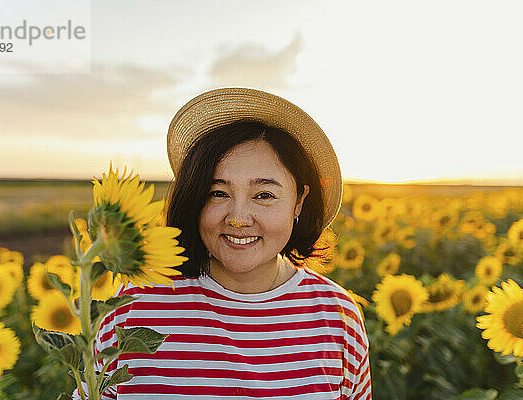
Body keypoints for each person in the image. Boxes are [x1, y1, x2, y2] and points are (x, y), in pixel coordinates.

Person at [73, 87, 371, 399]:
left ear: (299, 202)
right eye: (218, 193)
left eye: (264, 195)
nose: (239, 218)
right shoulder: (135, 305)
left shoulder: (336, 315)